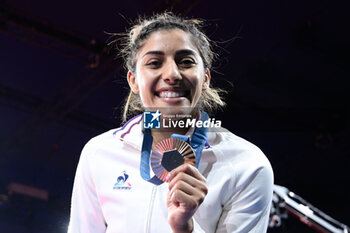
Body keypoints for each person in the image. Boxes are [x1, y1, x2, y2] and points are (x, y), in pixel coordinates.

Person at [67, 12, 274, 233]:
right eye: (154, 63)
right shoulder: (99, 152)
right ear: (134, 81)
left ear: (205, 78)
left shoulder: (247, 164)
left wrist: (186, 228)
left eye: (186, 62)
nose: (172, 74)